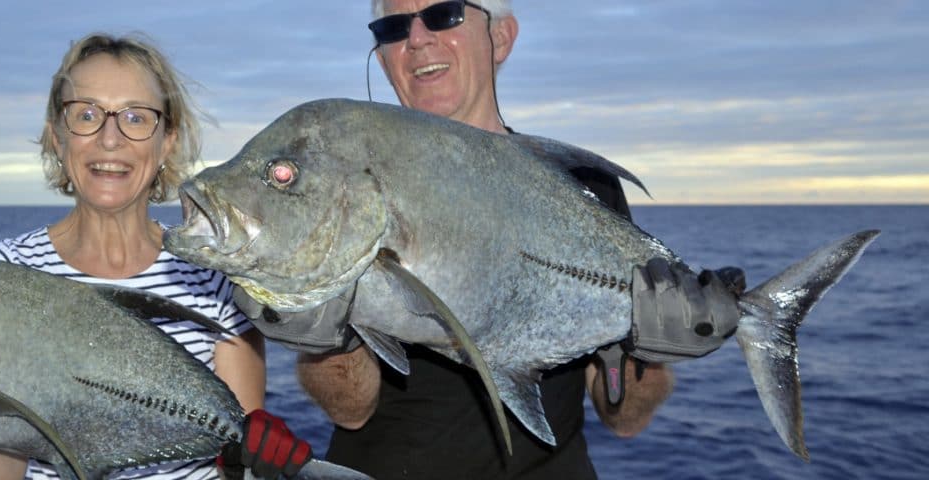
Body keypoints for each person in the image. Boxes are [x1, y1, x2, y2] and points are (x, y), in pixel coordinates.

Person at [295, 2, 743, 479]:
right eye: (394, 26)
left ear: (501, 37)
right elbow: (351, 411)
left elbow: (625, 420)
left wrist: (645, 353)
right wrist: (328, 338)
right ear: (383, 58)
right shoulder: (346, 189)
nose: (418, 38)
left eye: (443, 14)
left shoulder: (582, 186)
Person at [0, 33, 309, 480]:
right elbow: (3, 471)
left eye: (136, 117)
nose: (110, 139)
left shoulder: (216, 278)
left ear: (167, 141)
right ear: (57, 137)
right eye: (86, 115)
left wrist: (253, 461)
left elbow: (234, 456)